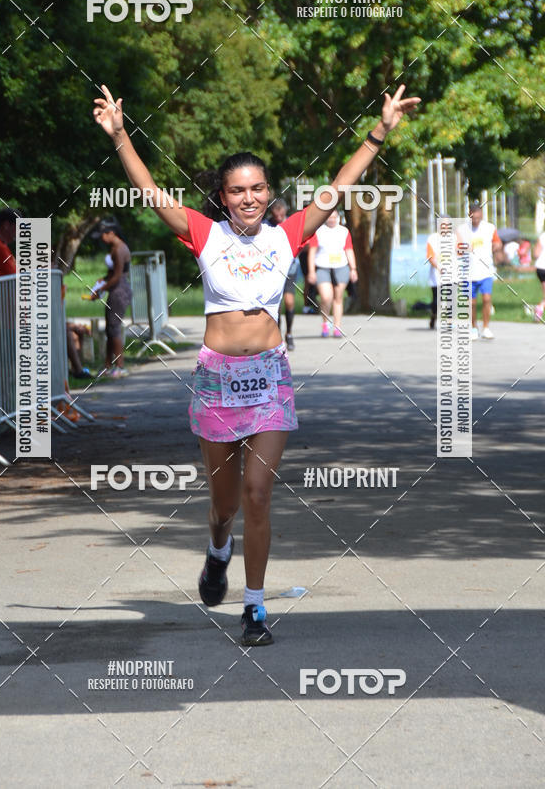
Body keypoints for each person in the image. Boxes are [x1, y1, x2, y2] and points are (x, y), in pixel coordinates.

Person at [93, 82, 420, 645]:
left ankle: (254, 609)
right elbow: (148, 192)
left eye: (258, 189)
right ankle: (218, 548)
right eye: (238, 190)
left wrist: (381, 129)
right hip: (217, 380)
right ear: (222, 196)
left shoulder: (286, 236)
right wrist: (121, 135)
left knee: (258, 495)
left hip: (269, 377)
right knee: (223, 506)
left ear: (269, 193)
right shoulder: (204, 233)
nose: (249, 198)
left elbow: (340, 186)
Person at [90, 220, 132, 377]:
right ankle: (107, 366)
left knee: (114, 328)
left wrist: (100, 290)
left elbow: (117, 276)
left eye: (103, 235)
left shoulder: (120, 249)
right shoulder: (115, 248)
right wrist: (103, 280)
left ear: (111, 233)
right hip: (115, 289)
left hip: (119, 291)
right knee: (110, 328)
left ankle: (120, 367)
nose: (101, 239)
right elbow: (111, 274)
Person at [307, 209, 358, 337]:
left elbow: (349, 250)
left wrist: (353, 269)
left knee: (338, 297)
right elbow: (312, 252)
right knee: (326, 297)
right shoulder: (318, 231)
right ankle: (325, 323)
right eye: (329, 217)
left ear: (338, 218)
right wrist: (311, 271)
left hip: (341, 266)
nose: (332, 219)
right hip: (322, 267)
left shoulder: (343, 231)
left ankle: (337, 327)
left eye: (334, 217)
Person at [459, 202, 502, 340]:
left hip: (486, 270)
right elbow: (456, 248)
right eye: (474, 218)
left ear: (481, 215)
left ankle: (486, 327)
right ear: (469, 215)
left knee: (487, 299)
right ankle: (473, 327)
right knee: (471, 302)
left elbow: (497, 242)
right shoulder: (461, 229)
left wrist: (496, 247)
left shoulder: (489, 228)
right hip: (468, 271)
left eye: (478, 218)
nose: (476, 221)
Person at [265, 198, 298, 350]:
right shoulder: (265, 225)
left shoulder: (291, 224)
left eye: (281, 212)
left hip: (289, 269)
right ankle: (277, 337)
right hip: (271, 271)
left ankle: (289, 333)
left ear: (285, 211)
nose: (278, 216)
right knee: (276, 305)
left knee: (289, 302)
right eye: (275, 213)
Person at [426, 229, 441, 329]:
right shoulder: (432, 238)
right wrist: (439, 267)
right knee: (436, 301)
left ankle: (448, 322)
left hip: (451, 276)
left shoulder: (454, 238)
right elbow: (430, 257)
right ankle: (433, 316)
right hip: (436, 276)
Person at [533, 231, 545, 322]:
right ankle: (540, 308)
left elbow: (536, 254)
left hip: (540, 267)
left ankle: (540, 308)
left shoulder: (542, 235)